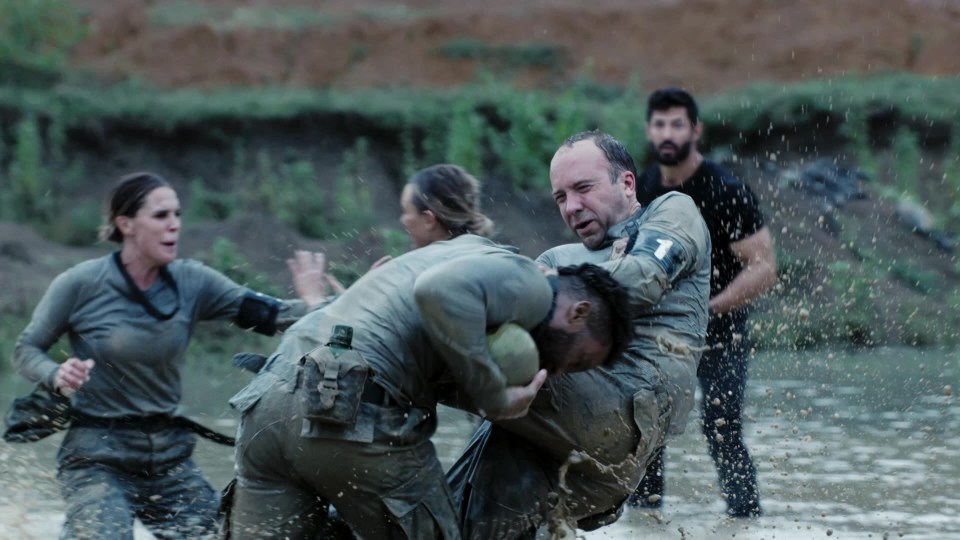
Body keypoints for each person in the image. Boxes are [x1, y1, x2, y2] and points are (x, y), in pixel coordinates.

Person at [227, 164, 631, 539]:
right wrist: (494, 398)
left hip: (266, 405)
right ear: (579, 313)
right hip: (346, 412)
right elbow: (438, 291)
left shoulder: (459, 253)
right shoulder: (531, 280)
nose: (560, 372)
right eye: (578, 360)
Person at [10, 172, 333, 540]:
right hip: (96, 459)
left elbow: (274, 316)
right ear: (126, 223)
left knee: (218, 536)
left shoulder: (192, 282)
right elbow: (26, 349)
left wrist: (332, 301)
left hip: (167, 460)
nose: (174, 225)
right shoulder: (81, 283)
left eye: (178, 215)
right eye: (161, 216)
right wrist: (56, 374)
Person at [447, 130, 711, 538]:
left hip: (630, 411)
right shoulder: (557, 258)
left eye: (583, 188)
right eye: (560, 198)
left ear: (626, 183)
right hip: (552, 425)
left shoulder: (672, 211)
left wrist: (552, 283)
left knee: (448, 344)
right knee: (459, 512)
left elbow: (643, 278)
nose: (571, 207)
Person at [630, 88, 777, 517]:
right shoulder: (643, 188)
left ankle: (745, 519)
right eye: (659, 124)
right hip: (656, 335)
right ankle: (644, 521)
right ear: (649, 130)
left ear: (695, 129)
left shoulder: (725, 189)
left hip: (720, 332)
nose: (667, 133)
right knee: (646, 429)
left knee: (722, 429)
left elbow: (763, 267)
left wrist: (708, 307)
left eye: (677, 124)